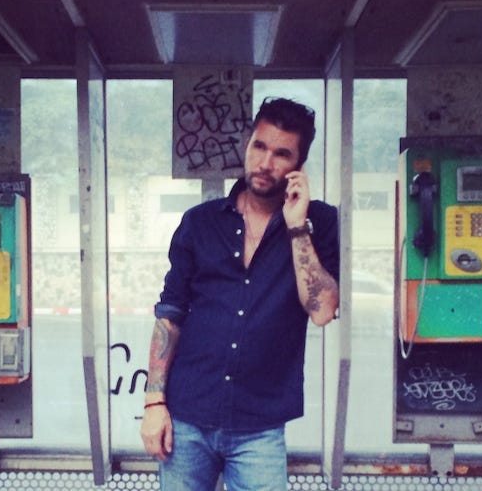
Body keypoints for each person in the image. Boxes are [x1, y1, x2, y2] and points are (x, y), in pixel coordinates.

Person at [140, 97, 340, 491]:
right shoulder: (200, 222)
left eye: (282, 154)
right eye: (259, 146)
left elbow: (321, 311)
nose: (265, 162)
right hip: (187, 417)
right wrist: (153, 403)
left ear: (299, 166)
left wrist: (297, 226)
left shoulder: (320, 222)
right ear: (247, 145)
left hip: (260, 426)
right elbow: (170, 315)